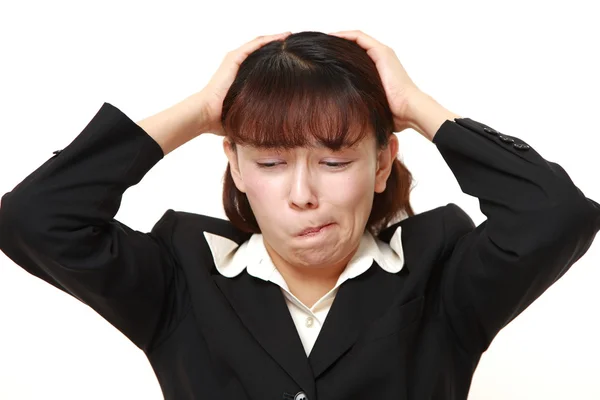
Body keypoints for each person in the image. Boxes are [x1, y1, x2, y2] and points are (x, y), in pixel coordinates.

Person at [0, 30, 598, 400]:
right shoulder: (181, 277)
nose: (302, 194)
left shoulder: (440, 275)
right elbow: (34, 217)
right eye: (272, 161)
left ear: (384, 163)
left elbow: (557, 215)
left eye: (335, 162)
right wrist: (200, 111)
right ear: (234, 164)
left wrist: (417, 108)